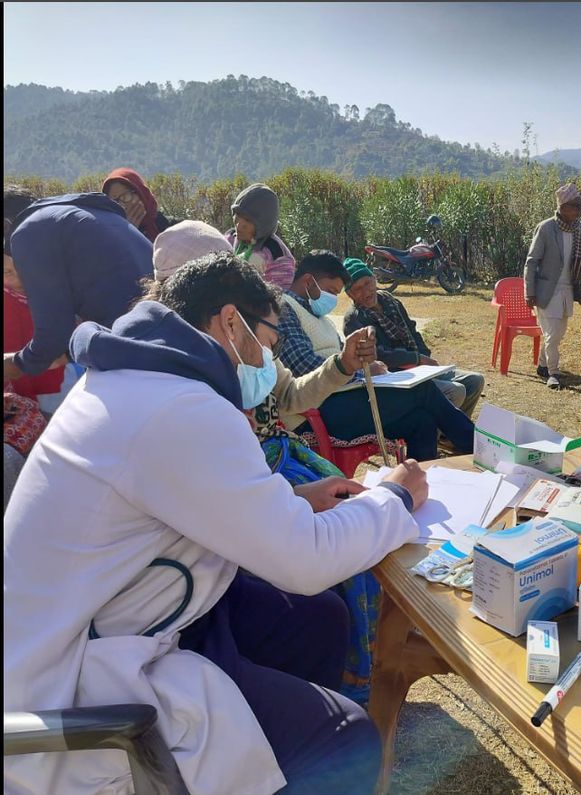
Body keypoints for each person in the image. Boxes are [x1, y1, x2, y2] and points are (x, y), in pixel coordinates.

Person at [4, 250, 429, 795]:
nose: (267, 364)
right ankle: (288, 758)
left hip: (114, 616)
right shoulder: (179, 405)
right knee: (345, 740)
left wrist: (295, 497)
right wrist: (392, 497)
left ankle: (272, 749)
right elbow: (305, 560)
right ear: (231, 322)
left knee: (317, 620)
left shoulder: (129, 380)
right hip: (82, 682)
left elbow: (162, 501)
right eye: (269, 343)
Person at [150, 222, 383, 704]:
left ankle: (355, 672)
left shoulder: (246, 345)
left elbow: (292, 394)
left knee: (353, 522)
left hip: (280, 464)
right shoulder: (181, 389)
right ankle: (338, 684)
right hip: (251, 493)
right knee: (336, 552)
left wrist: (342, 365)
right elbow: (238, 509)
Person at [278, 250, 476, 461]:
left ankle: (418, 486)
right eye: (330, 291)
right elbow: (303, 366)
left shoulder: (319, 317)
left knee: (422, 421)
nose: (332, 299)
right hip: (317, 411)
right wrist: (358, 371)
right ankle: (480, 449)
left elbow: (340, 358)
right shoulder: (284, 309)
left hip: (342, 399)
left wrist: (368, 366)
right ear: (308, 281)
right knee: (422, 391)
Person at [2, 188, 154, 386]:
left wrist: (18, 364)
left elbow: (53, 334)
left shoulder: (28, 231)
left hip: (135, 345)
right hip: (159, 332)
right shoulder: (82, 214)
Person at [342, 257, 485, 418]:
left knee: (475, 381)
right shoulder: (354, 319)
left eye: (368, 283)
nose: (366, 291)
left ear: (375, 280)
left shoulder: (390, 301)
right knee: (456, 391)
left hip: (418, 369)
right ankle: (437, 435)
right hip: (394, 378)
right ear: (349, 294)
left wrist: (424, 358)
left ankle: (449, 438)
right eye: (357, 289)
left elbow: (413, 332)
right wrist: (416, 359)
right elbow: (378, 355)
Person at [524, 182, 581, 389]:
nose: (579, 210)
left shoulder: (578, 228)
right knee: (552, 333)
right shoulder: (546, 228)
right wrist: (529, 292)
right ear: (563, 206)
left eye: (580, 206)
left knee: (557, 333)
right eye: (575, 205)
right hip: (546, 291)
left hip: (568, 289)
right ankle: (553, 373)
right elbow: (531, 261)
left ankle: (542, 365)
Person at [3, 218, 65, 407]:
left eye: (22, 267)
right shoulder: (8, 304)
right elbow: (12, 361)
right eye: (7, 272)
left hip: (71, 375)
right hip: (43, 393)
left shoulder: (49, 288)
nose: (18, 278)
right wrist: (28, 403)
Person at [225, 183, 296, 289]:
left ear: (263, 224)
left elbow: (278, 298)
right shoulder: (230, 238)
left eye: (248, 220)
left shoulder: (277, 255)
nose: (239, 226)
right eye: (237, 216)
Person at [102, 167, 178, 243]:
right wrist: (129, 233)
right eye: (115, 202)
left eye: (125, 196)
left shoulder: (173, 229)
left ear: (141, 194)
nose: (122, 206)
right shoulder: (110, 241)